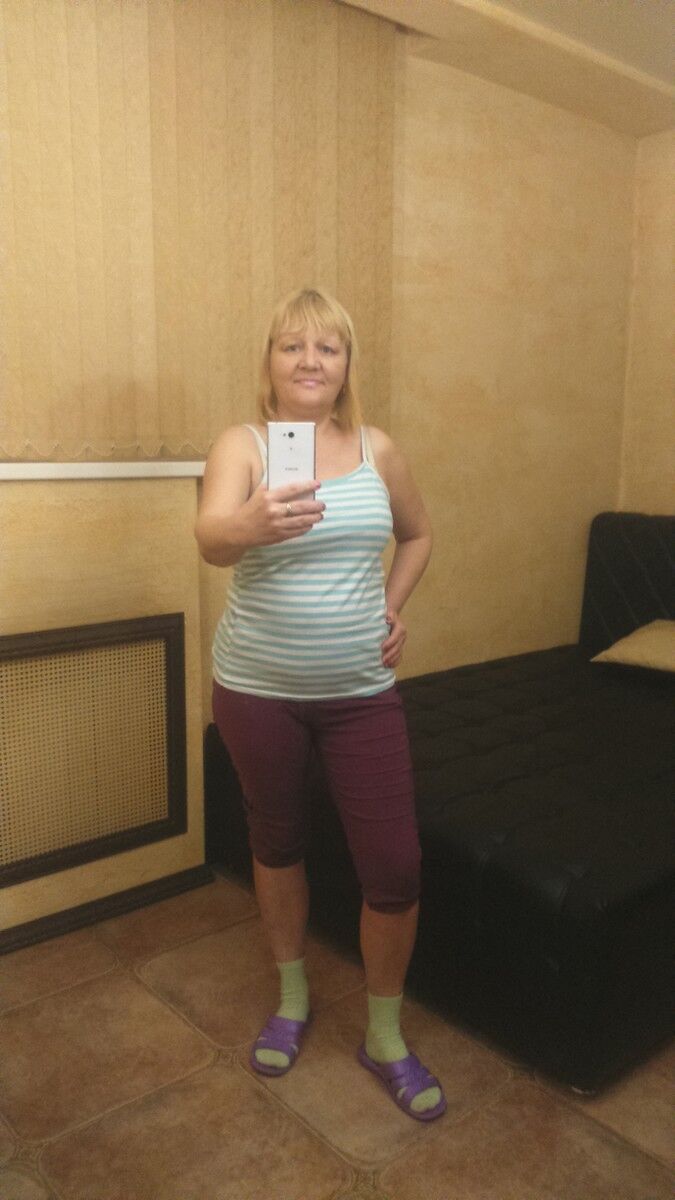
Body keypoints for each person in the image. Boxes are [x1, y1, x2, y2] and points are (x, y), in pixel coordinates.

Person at [195, 287, 445, 1122]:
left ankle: (384, 1035)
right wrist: (251, 525)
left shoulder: (378, 449)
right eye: (292, 345)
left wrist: (391, 605)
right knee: (276, 838)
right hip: (256, 691)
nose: (309, 360)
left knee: (395, 866)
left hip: (359, 695)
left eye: (327, 348)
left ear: (346, 366)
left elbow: (418, 533)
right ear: (269, 361)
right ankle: (293, 997)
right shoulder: (245, 446)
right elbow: (210, 539)